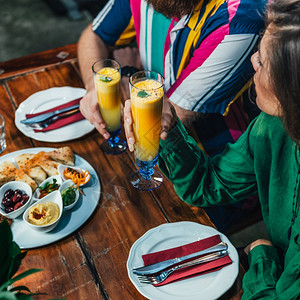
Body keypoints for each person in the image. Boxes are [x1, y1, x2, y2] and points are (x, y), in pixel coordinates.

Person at [124, 0, 300, 297]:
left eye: (264, 61)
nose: (253, 60)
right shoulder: (271, 126)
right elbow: (209, 185)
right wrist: (168, 124)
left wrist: (262, 259)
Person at [77, 0, 268, 230]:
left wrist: (128, 73)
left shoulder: (240, 19)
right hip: (153, 157)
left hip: (215, 180)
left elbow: (161, 122)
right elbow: (93, 36)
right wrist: (93, 85)